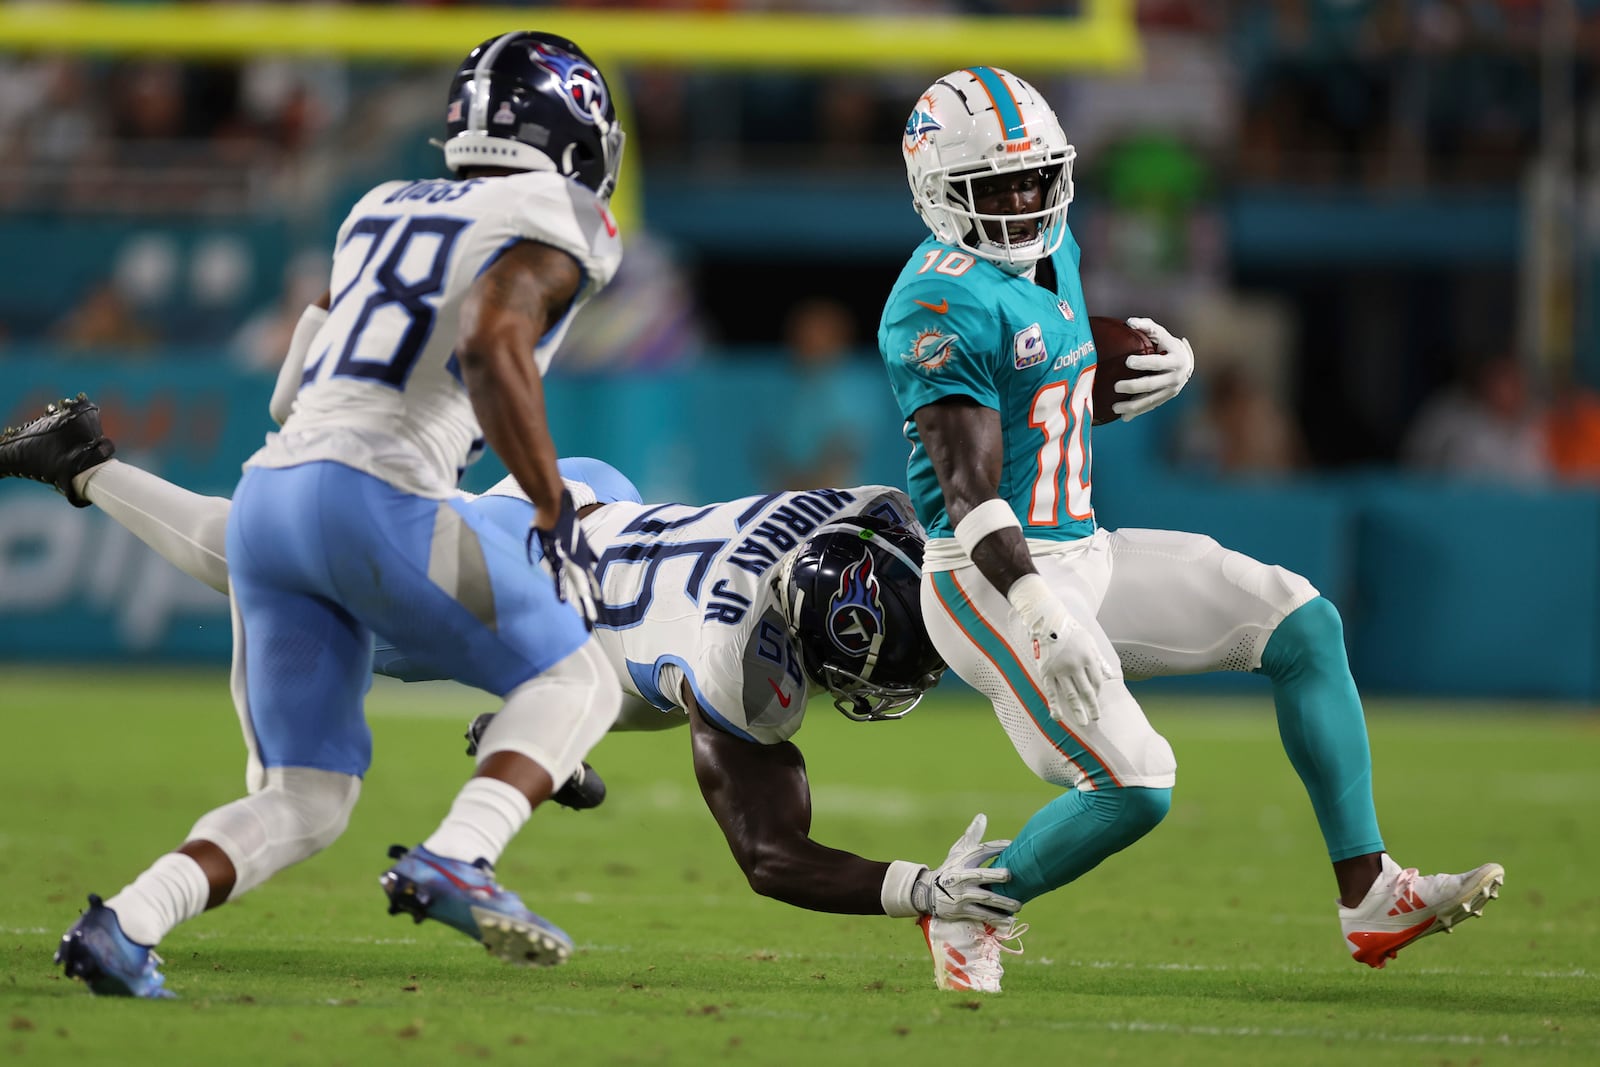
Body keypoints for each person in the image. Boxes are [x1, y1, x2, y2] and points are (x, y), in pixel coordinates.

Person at [29, 30, 632, 999]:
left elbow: (287, 388)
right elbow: (490, 343)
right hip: (379, 495)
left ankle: (125, 923)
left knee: (304, 799)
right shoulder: (561, 212)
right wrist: (552, 504)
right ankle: (459, 855)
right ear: (579, 131)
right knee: (576, 677)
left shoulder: (378, 205)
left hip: (273, 495)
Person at [879, 66, 1503, 991]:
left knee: (1300, 621)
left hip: (1081, 547)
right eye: (994, 188)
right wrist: (1040, 608)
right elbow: (971, 490)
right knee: (1137, 783)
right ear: (937, 195)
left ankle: (1370, 894)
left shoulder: (1045, 253)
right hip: (986, 580)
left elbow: (1041, 367)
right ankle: (969, 905)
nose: (1022, 202)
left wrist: (1136, 369)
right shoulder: (933, 302)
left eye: (1035, 178)